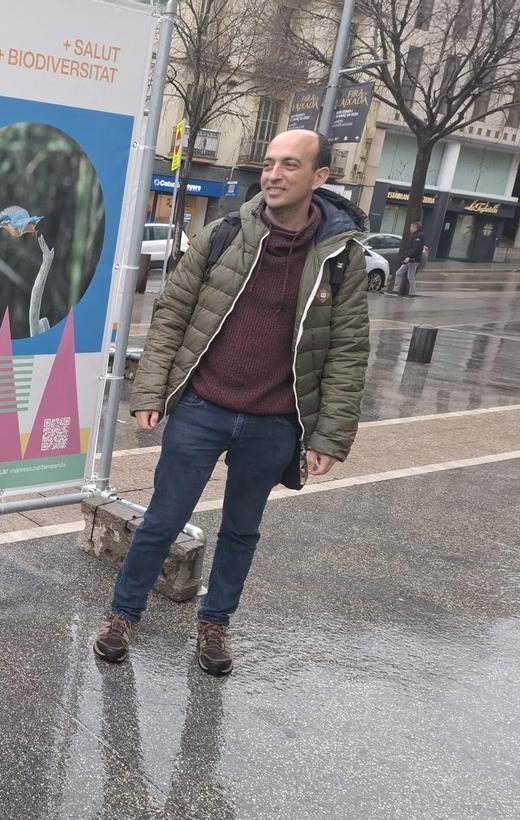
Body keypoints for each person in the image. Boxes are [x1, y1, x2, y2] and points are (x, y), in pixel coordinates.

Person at [94, 129, 369, 677]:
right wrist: (149, 391)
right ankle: (123, 616)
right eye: (269, 163)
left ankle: (215, 625)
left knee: (243, 529)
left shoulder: (341, 258)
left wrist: (331, 436)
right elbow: (172, 313)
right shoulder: (222, 234)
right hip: (202, 407)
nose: (272, 175)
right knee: (162, 519)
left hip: (274, 422)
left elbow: (348, 350)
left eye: (290, 165)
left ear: (320, 178)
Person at [388, 221, 426, 297]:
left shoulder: (418, 236)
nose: (410, 228)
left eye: (411, 227)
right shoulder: (415, 235)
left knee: (410, 276)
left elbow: (415, 248)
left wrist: (409, 257)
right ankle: (396, 290)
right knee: (399, 273)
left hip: (413, 260)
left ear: (415, 228)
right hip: (410, 259)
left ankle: (412, 293)